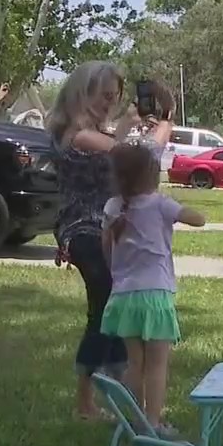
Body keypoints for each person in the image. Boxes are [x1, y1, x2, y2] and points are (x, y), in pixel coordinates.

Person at [45, 62, 175, 421]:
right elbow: (138, 157)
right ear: (81, 93)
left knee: (110, 311)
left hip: (95, 229)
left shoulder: (79, 131)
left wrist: (128, 124)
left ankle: (112, 394)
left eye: (114, 98)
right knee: (104, 313)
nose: (109, 103)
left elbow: (116, 146)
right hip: (87, 231)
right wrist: (165, 125)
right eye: (103, 96)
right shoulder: (81, 136)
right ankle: (91, 401)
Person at [100, 142, 206, 436]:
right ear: (150, 175)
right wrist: (177, 205)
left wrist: (116, 271)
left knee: (136, 363)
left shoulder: (112, 206)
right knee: (157, 365)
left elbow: (106, 246)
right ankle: (154, 423)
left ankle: (134, 419)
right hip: (155, 294)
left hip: (123, 295)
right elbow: (199, 219)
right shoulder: (160, 204)